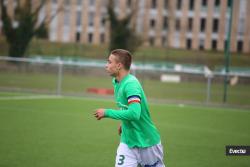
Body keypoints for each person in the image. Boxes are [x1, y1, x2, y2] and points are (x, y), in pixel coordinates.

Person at [94, 49, 165, 167]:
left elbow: (134, 113)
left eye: (109, 62)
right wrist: (125, 123)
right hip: (128, 141)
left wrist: (107, 112)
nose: (106, 65)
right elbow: (127, 109)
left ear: (119, 66)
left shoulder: (131, 84)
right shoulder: (117, 82)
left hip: (147, 141)